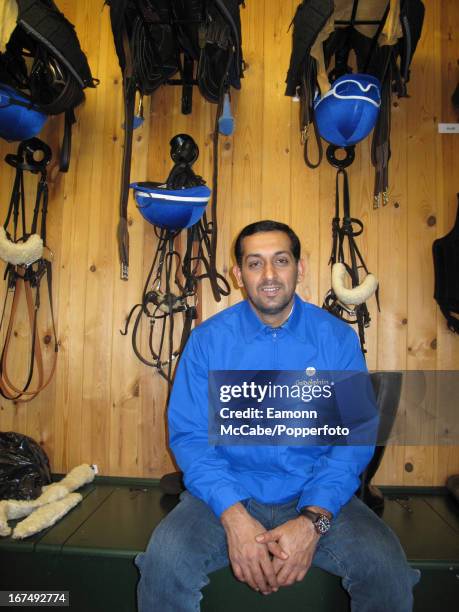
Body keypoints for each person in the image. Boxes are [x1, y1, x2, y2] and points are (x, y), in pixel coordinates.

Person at [136, 220, 420, 612]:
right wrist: (233, 516)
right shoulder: (207, 341)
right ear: (238, 275)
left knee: (387, 571)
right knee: (164, 564)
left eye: (280, 261)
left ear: (299, 268)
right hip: (224, 495)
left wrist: (313, 520)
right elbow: (189, 437)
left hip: (316, 494)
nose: (268, 275)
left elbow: (355, 440)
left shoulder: (338, 340)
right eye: (255, 263)